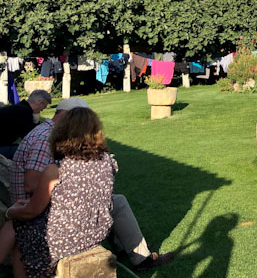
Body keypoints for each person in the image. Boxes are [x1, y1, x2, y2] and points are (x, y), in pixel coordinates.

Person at [6, 98, 173, 272]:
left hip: (57, 212)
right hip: (44, 209)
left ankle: (133, 253)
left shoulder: (56, 151)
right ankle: (138, 256)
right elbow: (31, 185)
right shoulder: (45, 140)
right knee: (107, 203)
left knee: (116, 201)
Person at [4, 106, 117, 278]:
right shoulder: (108, 162)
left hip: (64, 242)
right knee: (23, 226)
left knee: (17, 227)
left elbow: (32, 211)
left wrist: (12, 211)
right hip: (95, 233)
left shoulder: (57, 170)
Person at [0, 90, 52, 159]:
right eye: (44, 107)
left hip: (4, 145)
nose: (42, 110)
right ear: (40, 103)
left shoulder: (18, 108)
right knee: (35, 152)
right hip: (2, 148)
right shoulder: (25, 113)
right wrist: (36, 121)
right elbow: (32, 138)